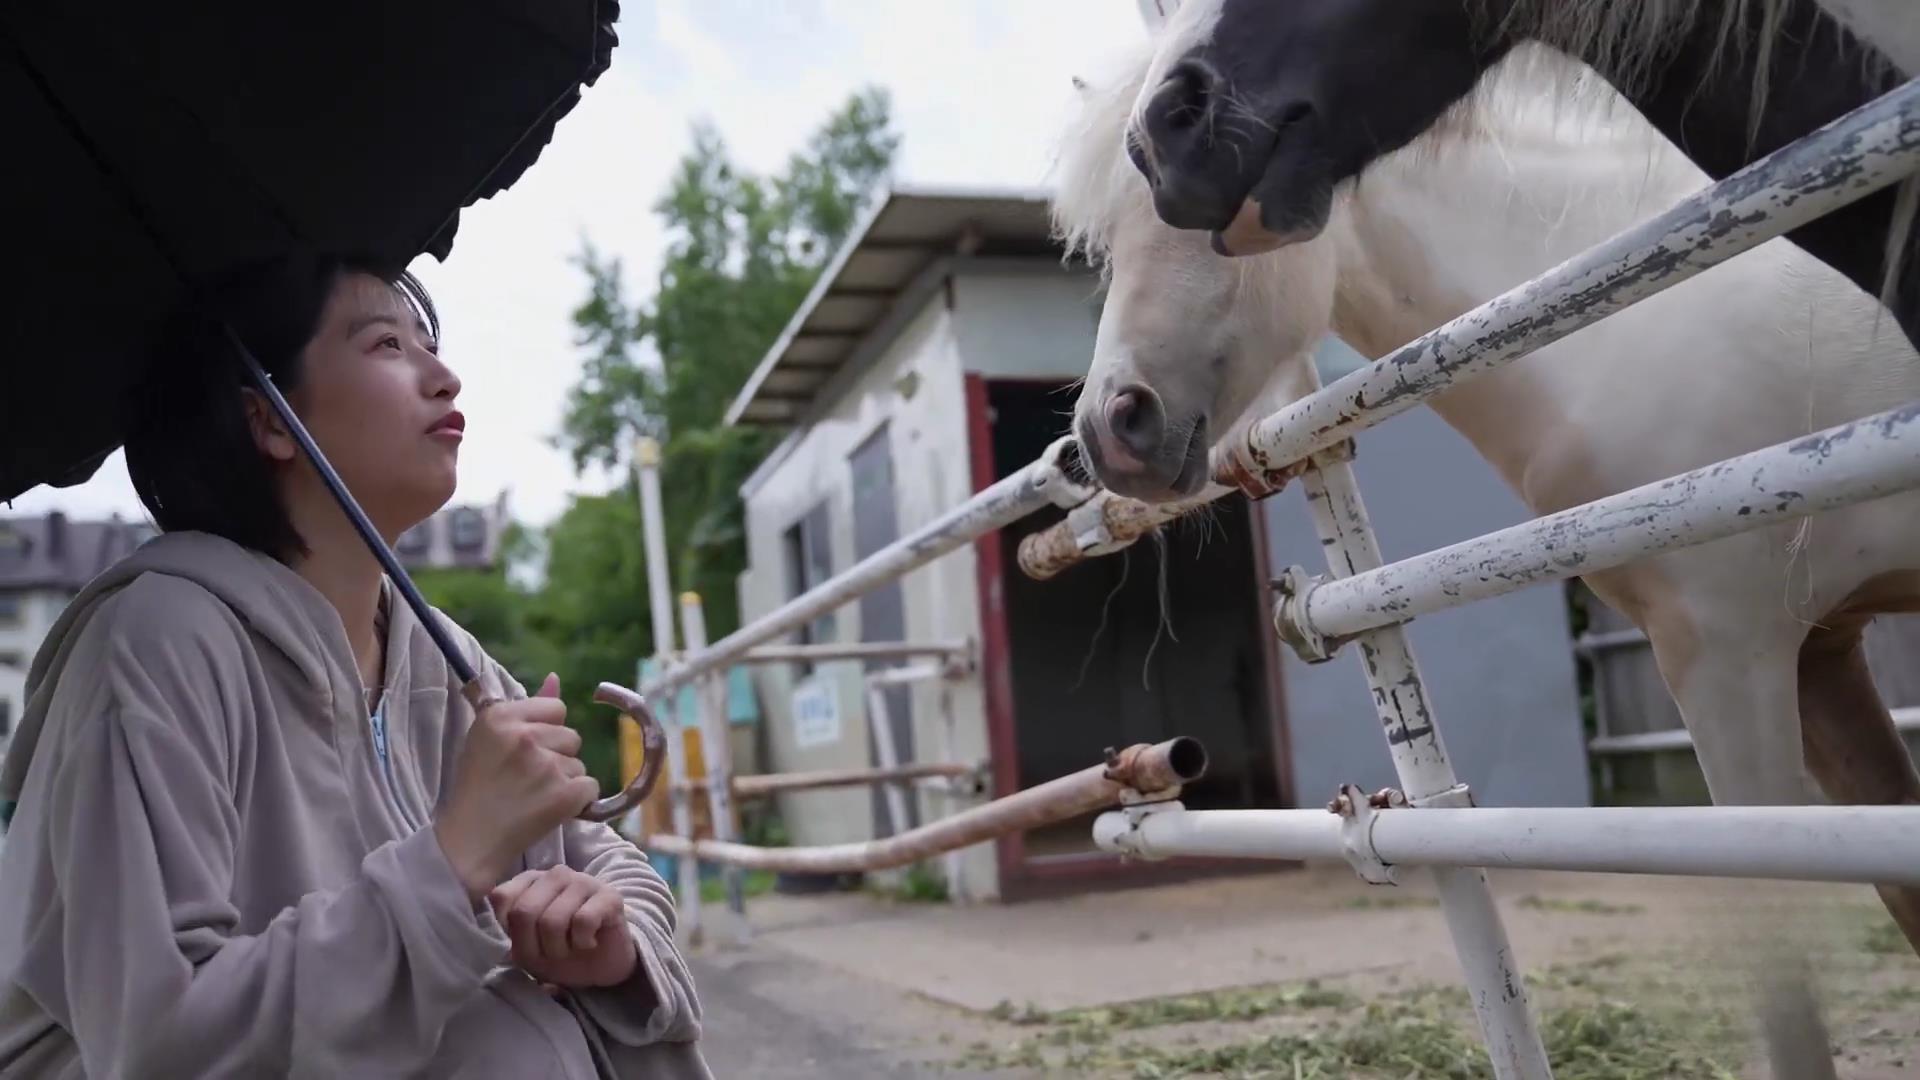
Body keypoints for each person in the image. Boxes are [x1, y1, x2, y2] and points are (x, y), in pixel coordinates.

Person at [0, 254, 711, 1078]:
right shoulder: (156, 643)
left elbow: (606, 861)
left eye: (430, 346)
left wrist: (608, 937)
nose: (444, 378)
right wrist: (452, 860)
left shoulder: (446, 659)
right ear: (269, 421)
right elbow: (159, 1039)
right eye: (387, 346)